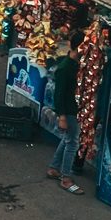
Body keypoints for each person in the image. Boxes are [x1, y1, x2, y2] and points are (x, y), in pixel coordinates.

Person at [47, 30, 86, 194]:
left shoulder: (77, 65)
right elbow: (59, 95)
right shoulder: (65, 68)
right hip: (68, 110)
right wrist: (62, 116)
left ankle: (54, 168)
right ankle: (66, 178)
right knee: (72, 143)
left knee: (68, 139)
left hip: (73, 109)